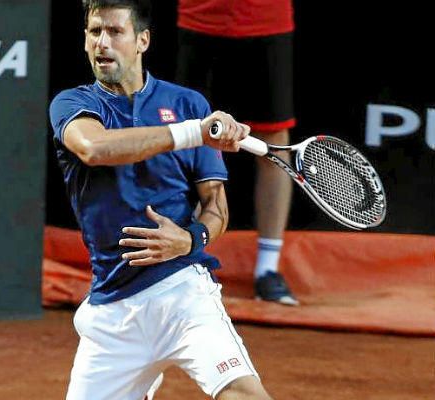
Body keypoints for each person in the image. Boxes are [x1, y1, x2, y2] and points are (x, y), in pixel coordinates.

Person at [49, 0, 273, 399]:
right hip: (112, 315)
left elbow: (216, 208)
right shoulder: (73, 104)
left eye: (115, 32)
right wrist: (193, 133)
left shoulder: (188, 105)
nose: (102, 43)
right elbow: (94, 148)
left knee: (243, 393)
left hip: (182, 294)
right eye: (95, 32)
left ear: (142, 41)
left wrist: (190, 240)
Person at [175, 0, 299, 306]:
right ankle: (182, 260)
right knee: (190, 136)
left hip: (267, 19)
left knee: (274, 139)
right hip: (199, 18)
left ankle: (267, 269)